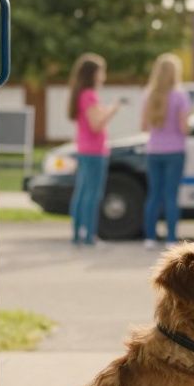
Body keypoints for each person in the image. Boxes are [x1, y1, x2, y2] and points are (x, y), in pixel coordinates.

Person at [66, 53, 119, 246]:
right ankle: (89, 235)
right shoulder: (89, 95)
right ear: (93, 74)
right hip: (94, 151)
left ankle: (77, 233)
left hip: (85, 149)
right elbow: (96, 125)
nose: (104, 75)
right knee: (92, 194)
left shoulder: (81, 94)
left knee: (81, 192)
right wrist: (112, 110)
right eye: (102, 71)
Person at [140, 53, 192, 249]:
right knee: (171, 194)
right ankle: (171, 238)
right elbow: (184, 128)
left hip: (154, 150)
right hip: (175, 151)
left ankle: (150, 237)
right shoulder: (180, 95)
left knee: (154, 194)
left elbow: (144, 126)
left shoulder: (148, 94)